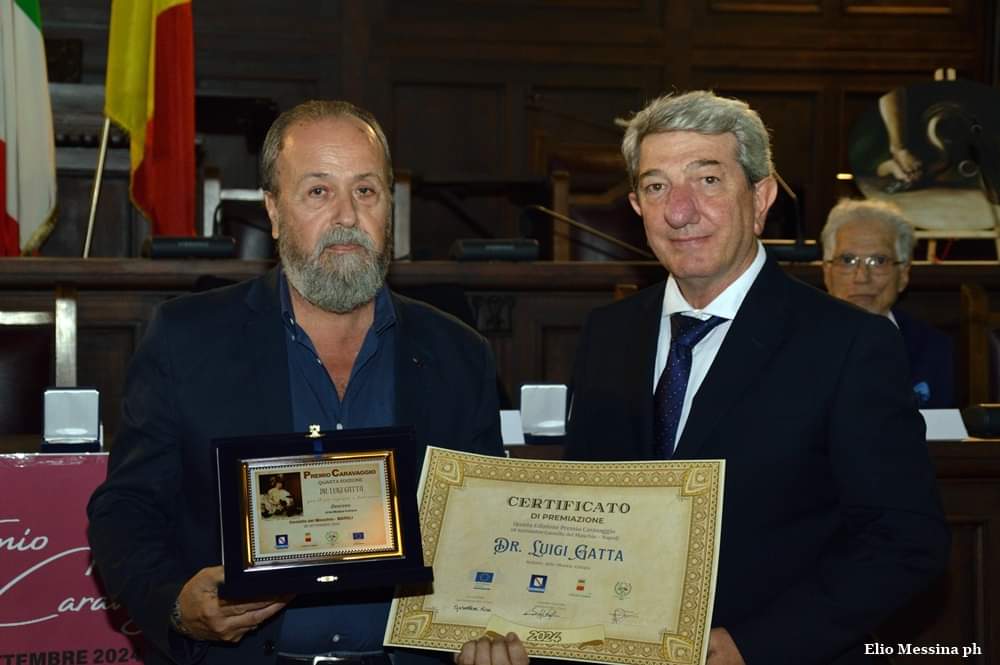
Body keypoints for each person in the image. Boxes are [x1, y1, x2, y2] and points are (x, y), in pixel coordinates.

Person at [87, 100, 506, 665]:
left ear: (389, 209)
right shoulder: (186, 341)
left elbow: (492, 526)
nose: (346, 218)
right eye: (318, 192)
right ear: (274, 211)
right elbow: (126, 509)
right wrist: (174, 603)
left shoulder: (459, 354)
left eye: (366, 191)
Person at [565, 90, 949, 665]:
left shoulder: (848, 344)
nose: (679, 210)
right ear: (637, 206)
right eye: (656, 186)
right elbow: (582, 510)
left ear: (761, 197)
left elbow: (903, 543)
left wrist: (758, 646)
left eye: (709, 180)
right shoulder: (607, 335)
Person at [821, 198, 955, 408]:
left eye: (878, 261)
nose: (862, 277)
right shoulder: (793, 344)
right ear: (827, 272)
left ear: (903, 275)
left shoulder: (934, 349)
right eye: (847, 260)